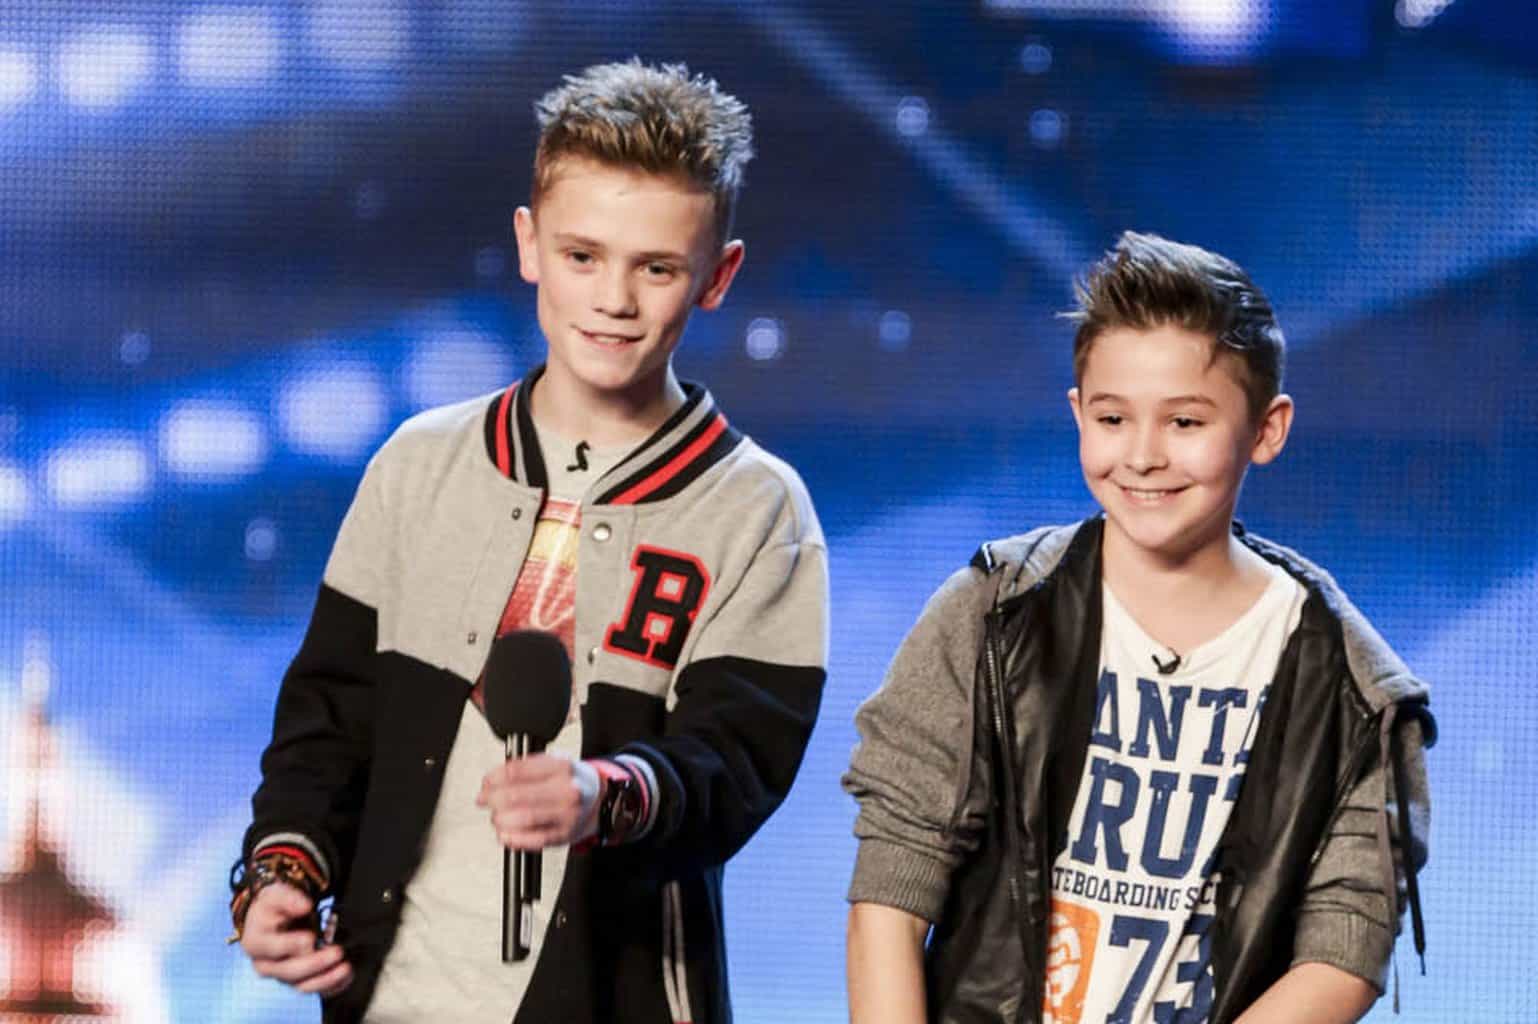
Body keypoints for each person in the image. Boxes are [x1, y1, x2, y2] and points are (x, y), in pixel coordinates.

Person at [229, 59, 829, 1024]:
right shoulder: (419, 463)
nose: (613, 298)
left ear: (717, 277)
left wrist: (605, 794)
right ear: (528, 244)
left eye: (657, 268)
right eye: (582, 255)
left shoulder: (758, 510)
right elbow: (330, 716)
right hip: (392, 993)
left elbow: (738, 762)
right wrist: (281, 873)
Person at [842, 231, 1432, 1024]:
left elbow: (1345, 950)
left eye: (1185, 422)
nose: (1144, 455)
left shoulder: (1356, 689)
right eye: (1114, 417)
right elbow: (891, 889)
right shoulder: (992, 614)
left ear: (1267, 429)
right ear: (1078, 414)